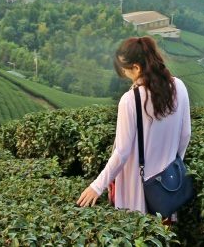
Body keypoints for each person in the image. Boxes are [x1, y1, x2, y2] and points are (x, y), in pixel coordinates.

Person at [76, 36, 191, 215]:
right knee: (163, 234)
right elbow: (186, 134)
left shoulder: (130, 100)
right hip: (168, 186)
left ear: (136, 68)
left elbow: (122, 152)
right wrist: (173, 166)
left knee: (139, 234)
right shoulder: (179, 87)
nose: (124, 74)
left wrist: (97, 187)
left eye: (125, 70)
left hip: (137, 187)